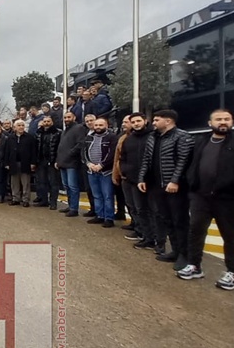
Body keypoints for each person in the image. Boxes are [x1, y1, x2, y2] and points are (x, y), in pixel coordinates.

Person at [177, 109, 234, 290]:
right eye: (218, 119)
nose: (223, 122)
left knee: (231, 236)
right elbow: (192, 164)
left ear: (232, 122)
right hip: (200, 197)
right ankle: (194, 265)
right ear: (210, 123)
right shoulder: (201, 142)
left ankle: (233, 272)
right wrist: (192, 182)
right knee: (195, 231)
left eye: (227, 119)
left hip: (229, 199)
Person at [137, 110, 194, 270]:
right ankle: (175, 251)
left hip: (175, 187)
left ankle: (185, 255)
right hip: (156, 185)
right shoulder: (153, 137)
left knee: (180, 221)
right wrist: (142, 178)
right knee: (167, 219)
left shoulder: (182, 137)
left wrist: (175, 181)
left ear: (168, 121)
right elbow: (146, 160)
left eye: (157, 120)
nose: (153, 123)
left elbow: (183, 160)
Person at [115, 113, 157, 250]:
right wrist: (124, 171)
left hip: (148, 180)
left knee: (148, 210)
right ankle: (143, 234)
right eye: (133, 122)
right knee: (137, 208)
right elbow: (123, 157)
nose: (136, 124)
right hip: (130, 179)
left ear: (145, 121)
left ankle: (153, 238)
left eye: (138, 121)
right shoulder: (129, 139)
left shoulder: (153, 137)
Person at [81, 117, 118, 227]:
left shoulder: (112, 137)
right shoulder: (89, 137)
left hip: (106, 172)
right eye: (96, 125)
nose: (98, 127)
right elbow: (83, 152)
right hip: (91, 171)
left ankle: (109, 218)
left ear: (106, 125)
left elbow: (112, 154)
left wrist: (101, 165)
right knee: (96, 195)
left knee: (107, 196)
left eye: (101, 125)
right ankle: (99, 215)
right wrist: (89, 164)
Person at [55, 111, 83, 217]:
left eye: (69, 117)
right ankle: (70, 206)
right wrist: (58, 160)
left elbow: (80, 144)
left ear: (74, 117)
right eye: (65, 117)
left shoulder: (79, 128)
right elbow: (60, 147)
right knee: (66, 186)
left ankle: (74, 209)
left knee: (73, 186)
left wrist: (70, 153)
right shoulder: (64, 131)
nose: (66, 119)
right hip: (62, 163)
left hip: (72, 163)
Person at [3, 120, 37, 206]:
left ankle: (25, 200)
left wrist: (33, 163)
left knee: (26, 183)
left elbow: (34, 151)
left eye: (22, 125)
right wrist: (6, 163)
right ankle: (15, 198)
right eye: (19, 125)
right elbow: (7, 151)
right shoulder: (10, 138)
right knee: (14, 183)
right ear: (15, 127)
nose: (21, 127)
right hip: (13, 163)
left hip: (25, 163)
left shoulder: (30, 138)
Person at [34, 115, 61, 209]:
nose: (46, 123)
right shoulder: (38, 133)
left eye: (48, 121)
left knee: (53, 183)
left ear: (52, 122)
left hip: (52, 161)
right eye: (45, 121)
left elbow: (59, 148)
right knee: (42, 182)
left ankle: (53, 202)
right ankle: (44, 201)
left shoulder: (57, 133)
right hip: (41, 161)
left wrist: (57, 160)